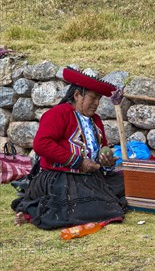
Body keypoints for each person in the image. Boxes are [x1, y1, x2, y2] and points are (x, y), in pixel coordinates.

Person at [13, 67, 126, 228]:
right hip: (60, 177)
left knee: (128, 183)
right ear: (77, 95)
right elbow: (41, 144)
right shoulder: (58, 114)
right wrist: (78, 162)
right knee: (89, 206)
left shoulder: (96, 120)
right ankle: (31, 213)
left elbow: (103, 147)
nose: (96, 103)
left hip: (92, 176)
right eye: (93, 98)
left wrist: (106, 162)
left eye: (99, 99)